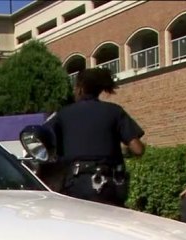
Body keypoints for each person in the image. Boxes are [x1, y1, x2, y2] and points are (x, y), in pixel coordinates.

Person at [41, 67, 145, 206]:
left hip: (76, 184)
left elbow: (42, 140)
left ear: (80, 88)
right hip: (110, 185)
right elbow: (138, 149)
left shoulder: (63, 114)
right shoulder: (115, 111)